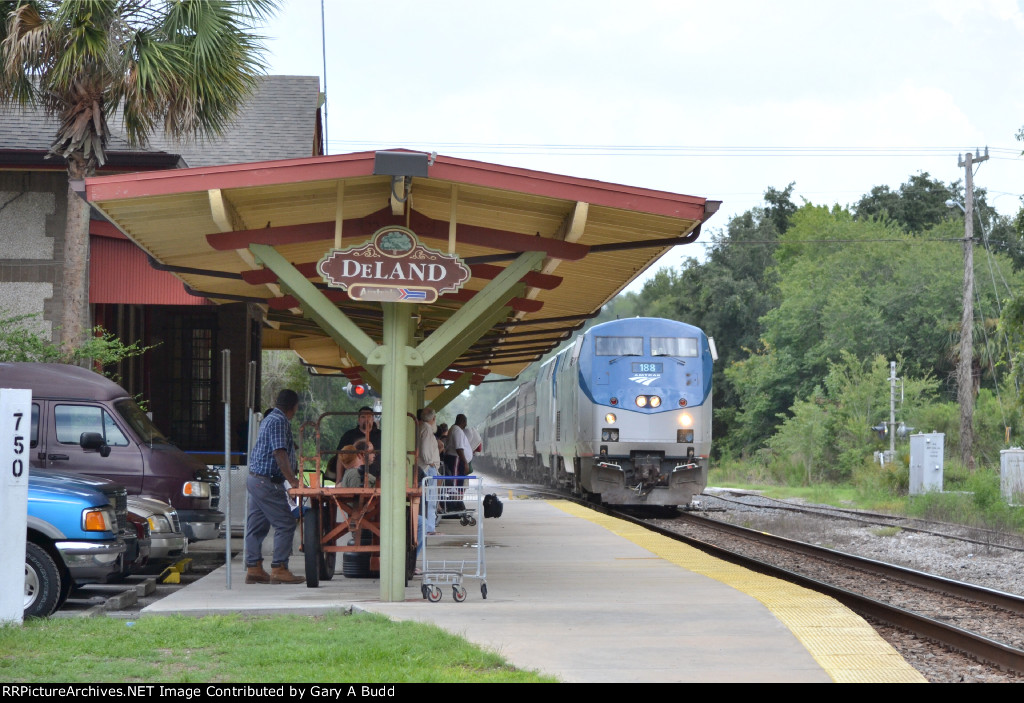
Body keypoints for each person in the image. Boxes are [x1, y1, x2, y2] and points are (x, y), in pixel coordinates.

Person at [245, 389, 304, 585]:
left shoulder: (270, 419)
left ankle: (253, 568)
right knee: (286, 522)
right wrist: (292, 480)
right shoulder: (279, 421)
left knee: (257, 526)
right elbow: (279, 452)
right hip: (266, 481)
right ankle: (279, 568)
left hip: (256, 479)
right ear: (293, 407)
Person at [416, 408, 441, 535]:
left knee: (429, 498)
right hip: (428, 469)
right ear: (433, 418)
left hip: (426, 467)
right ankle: (430, 528)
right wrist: (430, 462)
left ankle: (429, 526)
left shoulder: (422, 427)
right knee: (431, 499)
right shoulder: (426, 429)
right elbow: (425, 451)